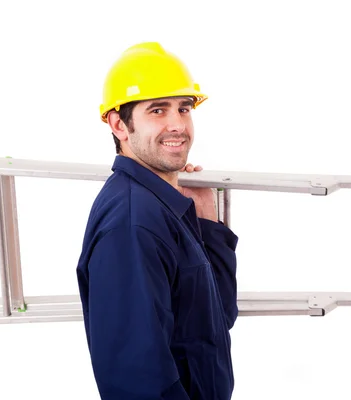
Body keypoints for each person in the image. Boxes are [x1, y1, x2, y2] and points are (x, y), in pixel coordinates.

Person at [76, 42, 239, 400]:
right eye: (158, 110)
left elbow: (218, 319)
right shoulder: (133, 224)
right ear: (119, 124)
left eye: (184, 108)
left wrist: (207, 225)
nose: (177, 125)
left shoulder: (166, 208)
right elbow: (137, 381)